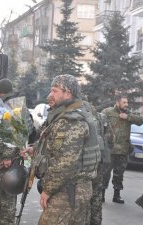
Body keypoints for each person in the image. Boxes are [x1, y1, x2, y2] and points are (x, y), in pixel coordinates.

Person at [23, 74, 100, 225]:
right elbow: (57, 148)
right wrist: (35, 151)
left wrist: (48, 190)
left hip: (68, 192)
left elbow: (65, 163)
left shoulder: (70, 121)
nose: (49, 95)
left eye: (54, 91)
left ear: (68, 93)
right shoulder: (64, 115)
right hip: (71, 189)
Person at [0, 78, 35, 225]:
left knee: (7, 192)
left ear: (0, 92)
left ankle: (6, 221)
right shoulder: (12, 105)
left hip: (7, 158)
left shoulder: (14, 107)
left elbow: (17, 135)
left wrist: (7, 156)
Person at [101, 95, 143, 203]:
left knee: (119, 174)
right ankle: (101, 195)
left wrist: (128, 117)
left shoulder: (129, 113)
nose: (126, 104)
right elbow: (99, 123)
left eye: (127, 102)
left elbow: (140, 120)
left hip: (123, 150)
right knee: (105, 173)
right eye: (124, 102)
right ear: (117, 102)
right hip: (110, 149)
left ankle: (117, 195)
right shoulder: (108, 112)